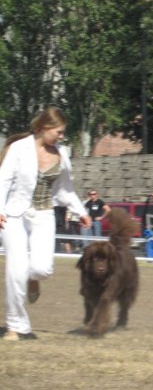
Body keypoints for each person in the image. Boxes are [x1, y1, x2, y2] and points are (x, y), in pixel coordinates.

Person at [0, 107, 91, 340]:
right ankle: (15, 326)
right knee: (15, 269)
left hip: (43, 215)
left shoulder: (62, 154)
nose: (61, 137)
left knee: (42, 268)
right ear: (44, 128)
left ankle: (33, 279)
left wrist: (80, 211)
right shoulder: (18, 149)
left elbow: (65, 190)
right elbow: (3, 180)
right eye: (58, 132)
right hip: (14, 215)